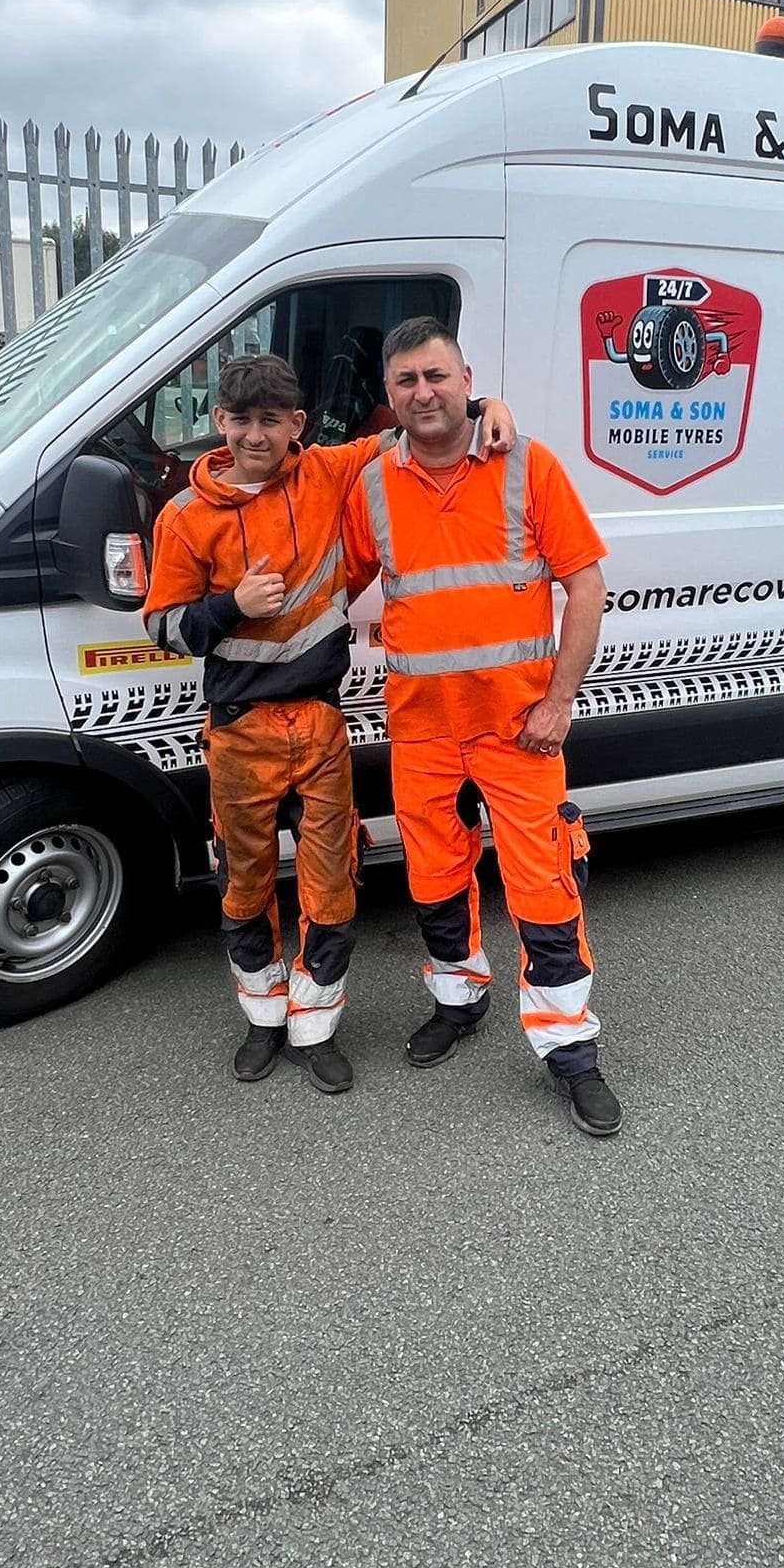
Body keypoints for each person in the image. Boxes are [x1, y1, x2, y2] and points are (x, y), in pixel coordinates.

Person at [142, 352, 514, 1095]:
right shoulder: (183, 517)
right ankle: (262, 1019)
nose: (255, 435)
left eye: (271, 421)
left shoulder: (326, 472)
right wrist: (230, 607)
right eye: (241, 420)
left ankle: (315, 1026)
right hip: (239, 728)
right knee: (241, 884)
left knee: (331, 883)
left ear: (297, 426)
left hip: (318, 724)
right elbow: (164, 629)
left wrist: (485, 407)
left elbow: (413, 419)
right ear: (219, 422)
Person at [341, 317, 622, 1139]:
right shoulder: (369, 483)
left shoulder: (526, 465)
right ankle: (459, 1001)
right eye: (405, 382)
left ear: (467, 378)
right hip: (422, 729)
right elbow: (332, 578)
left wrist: (558, 702)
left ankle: (570, 1052)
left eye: (436, 376)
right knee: (432, 878)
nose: (422, 393)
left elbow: (587, 584)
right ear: (387, 397)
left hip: (518, 728)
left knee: (543, 889)